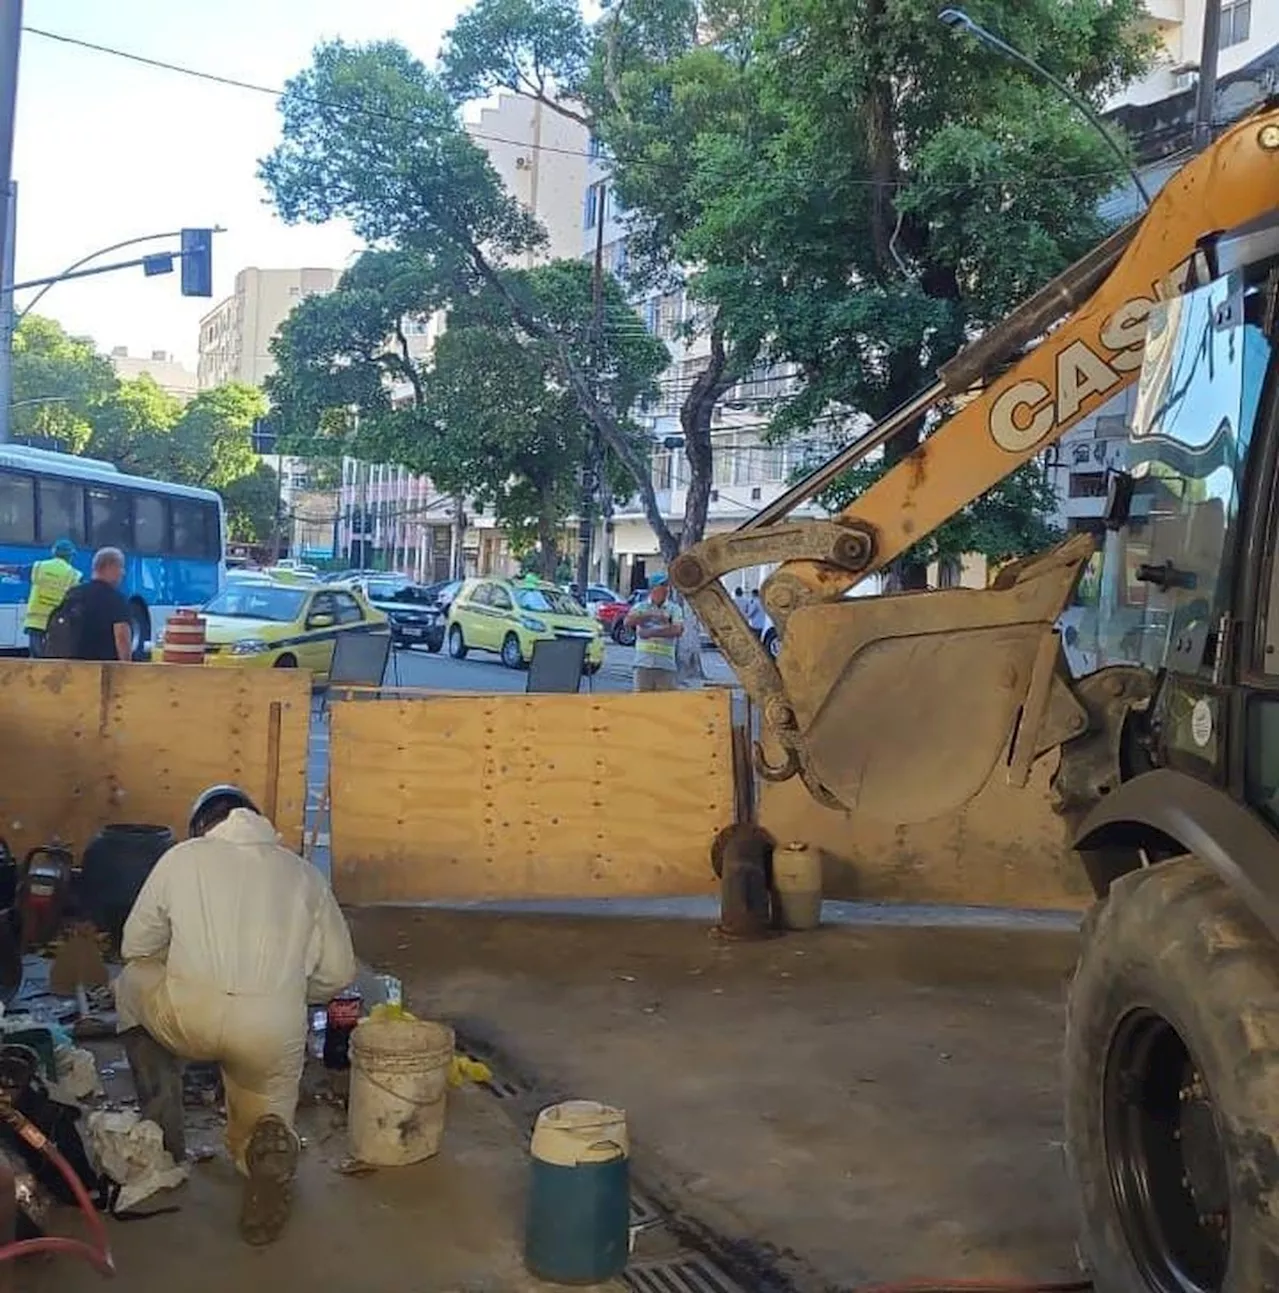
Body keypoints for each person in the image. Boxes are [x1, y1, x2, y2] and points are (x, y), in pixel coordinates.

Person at [115, 785, 356, 1246]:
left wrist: (180, 961)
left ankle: (165, 1136)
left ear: (201, 827)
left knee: (130, 983)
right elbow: (339, 972)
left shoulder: (181, 859)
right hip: (270, 1031)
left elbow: (135, 946)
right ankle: (259, 1151)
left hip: (187, 1017)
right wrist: (289, 990)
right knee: (263, 1102)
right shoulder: (304, 874)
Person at [48, 547, 133, 662]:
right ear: (110, 567)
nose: (123, 573)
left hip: (72, 666)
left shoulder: (74, 593)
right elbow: (122, 636)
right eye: (120, 567)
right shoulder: (115, 599)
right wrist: (127, 668)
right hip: (103, 670)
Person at [624, 571, 684, 692]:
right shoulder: (640, 607)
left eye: (667, 586)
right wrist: (650, 615)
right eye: (662, 585)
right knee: (641, 704)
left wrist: (650, 633)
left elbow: (677, 629)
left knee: (664, 705)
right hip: (643, 664)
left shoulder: (674, 609)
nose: (666, 589)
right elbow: (628, 622)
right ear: (653, 588)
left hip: (666, 665)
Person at [23, 539, 80, 657]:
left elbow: (19, 571)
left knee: (36, 658)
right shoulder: (73, 574)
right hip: (57, 624)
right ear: (70, 556)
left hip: (35, 622)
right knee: (52, 657)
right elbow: (77, 599)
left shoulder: (39, 567)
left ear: (54, 552)